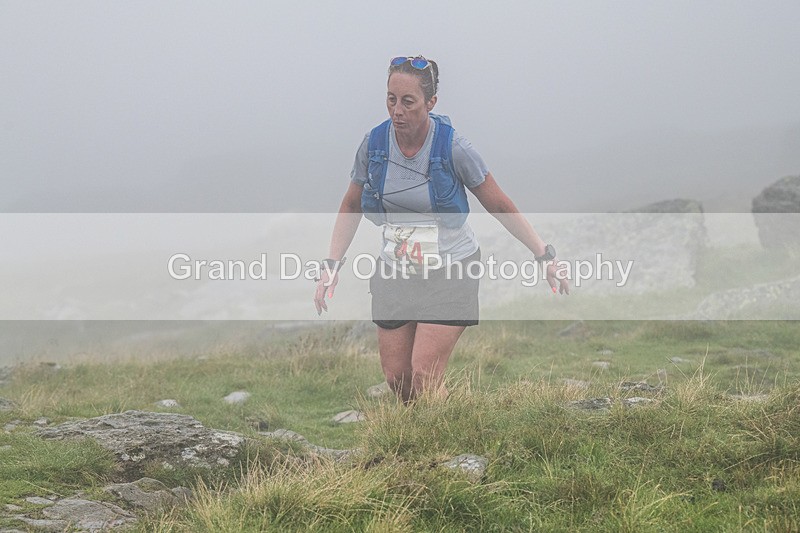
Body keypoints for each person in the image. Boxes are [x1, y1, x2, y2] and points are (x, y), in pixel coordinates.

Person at [314, 55, 569, 404]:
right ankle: (417, 434)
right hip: (396, 269)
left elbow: (499, 204)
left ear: (431, 102)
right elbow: (351, 205)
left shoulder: (454, 147)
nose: (397, 111)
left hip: (452, 269)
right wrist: (331, 265)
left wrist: (544, 255)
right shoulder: (373, 145)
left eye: (408, 101)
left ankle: (447, 433)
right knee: (398, 378)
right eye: (391, 99)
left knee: (425, 374)